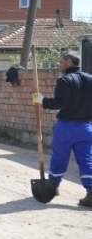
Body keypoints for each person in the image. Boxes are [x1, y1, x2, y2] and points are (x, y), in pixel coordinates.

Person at [32, 51, 92, 207]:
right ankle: (91, 193)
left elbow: (60, 103)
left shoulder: (65, 80)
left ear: (69, 62)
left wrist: (42, 100)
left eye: (61, 62)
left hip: (66, 127)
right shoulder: (90, 79)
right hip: (86, 127)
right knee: (86, 159)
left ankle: (53, 187)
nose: (59, 65)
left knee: (59, 157)